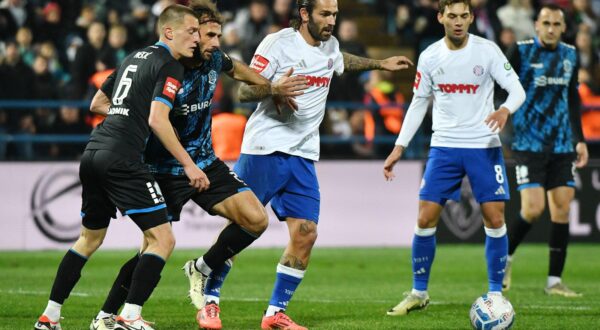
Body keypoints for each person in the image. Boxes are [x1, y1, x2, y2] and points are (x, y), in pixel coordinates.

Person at [86, 1, 308, 330]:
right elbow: (101, 102)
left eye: (218, 34)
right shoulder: (161, 65)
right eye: (208, 34)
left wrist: (272, 87)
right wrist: (138, 113)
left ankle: (202, 268)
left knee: (255, 219)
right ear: (191, 34)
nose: (216, 42)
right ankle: (106, 316)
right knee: (150, 249)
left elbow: (239, 69)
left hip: (204, 161)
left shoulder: (214, 58)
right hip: (162, 168)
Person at [222, 0, 412, 328]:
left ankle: (274, 314)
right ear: (305, 14)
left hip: (304, 154)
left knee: (306, 234)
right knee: (242, 228)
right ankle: (208, 297)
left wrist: (380, 64)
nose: (331, 21)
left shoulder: (330, 46)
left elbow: (340, 61)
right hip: (265, 148)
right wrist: (273, 88)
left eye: (335, 14)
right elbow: (243, 92)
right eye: (325, 14)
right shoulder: (278, 43)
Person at [34, 5, 204, 330]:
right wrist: (189, 164)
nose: (195, 39)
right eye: (191, 31)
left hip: (94, 151)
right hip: (122, 157)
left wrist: (124, 113)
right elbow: (157, 119)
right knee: (163, 240)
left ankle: (50, 316)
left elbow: (96, 103)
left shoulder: (132, 57)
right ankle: (129, 316)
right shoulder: (169, 65)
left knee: (88, 239)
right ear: (169, 32)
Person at [382, 0, 526, 316]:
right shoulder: (430, 56)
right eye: (452, 16)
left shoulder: (487, 51)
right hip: (444, 147)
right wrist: (399, 146)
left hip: (484, 146)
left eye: (464, 16)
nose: (458, 22)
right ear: (440, 18)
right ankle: (419, 292)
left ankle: (494, 295)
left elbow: (517, 90)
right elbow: (419, 103)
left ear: (471, 18)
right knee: (424, 219)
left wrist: (505, 109)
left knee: (495, 218)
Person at [502, 4, 588, 297]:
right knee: (533, 209)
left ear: (563, 28)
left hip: (563, 144)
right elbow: (502, 90)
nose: (551, 29)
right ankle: (506, 258)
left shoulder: (570, 55)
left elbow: (573, 99)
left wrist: (580, 139)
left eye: (556, 24)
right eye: (546, 23)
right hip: (529, 144)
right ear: (536, 25)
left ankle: (554, 281)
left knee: (562, 209)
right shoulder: (521, 52)